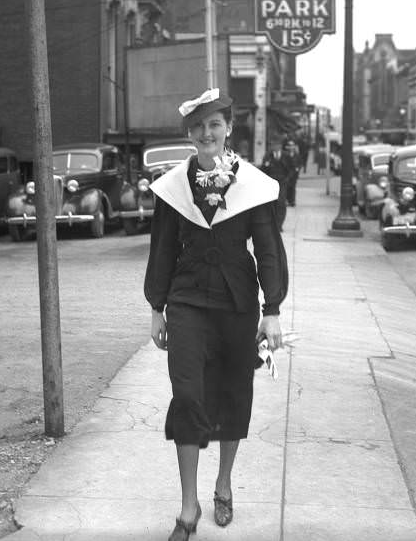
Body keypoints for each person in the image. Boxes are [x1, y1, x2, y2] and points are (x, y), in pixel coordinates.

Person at [144, 87, 288, 541]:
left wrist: (273, 310)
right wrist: (156, 308)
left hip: (237, 305)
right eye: (198, 126)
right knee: (187, 395)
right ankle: (189, 508)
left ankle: (223, 482)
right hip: (186, 302)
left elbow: (267, 250)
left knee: (232, 394)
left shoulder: (255, 186)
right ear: (190, 134)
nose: (207, 133)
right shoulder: (171, 188)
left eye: (215, 125)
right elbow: (162, 250)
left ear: (228, 130)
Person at [260, 139, 294, 227]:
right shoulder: (268, 155)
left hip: (282, 182)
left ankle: (279, 224)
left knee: (281, 202)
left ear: (280, 146)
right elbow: (263, 169)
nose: (274, 147)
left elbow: (292, 168)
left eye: (276, 144)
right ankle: (272, 223)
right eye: (272, 145)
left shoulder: (286, 155)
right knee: (272, 202)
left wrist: (288, 179)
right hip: (271, 182)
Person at [282, 138, 300, 206]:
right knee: (286, 187)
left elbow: (299, 162)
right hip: (287, 173)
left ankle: (292, 201)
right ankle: (287, 200)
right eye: (290, 145)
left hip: (294, 174)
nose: (291, 147)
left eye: (292, 145)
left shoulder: (296, 154)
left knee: (293, 187)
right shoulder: (285, 154)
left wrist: (298, 168)